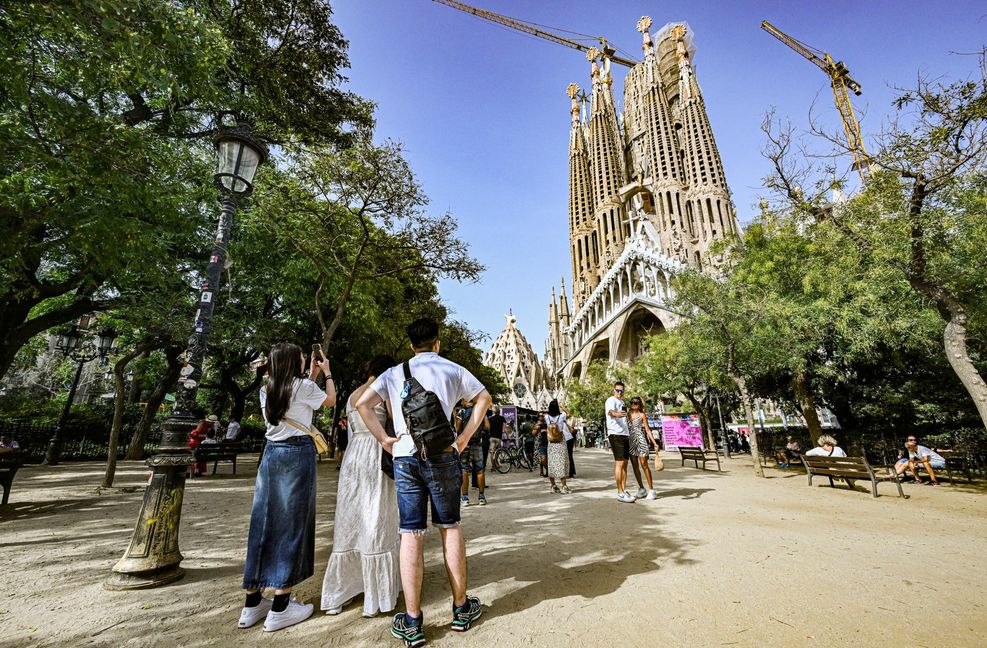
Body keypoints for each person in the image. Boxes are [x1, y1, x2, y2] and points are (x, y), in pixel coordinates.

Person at [356, 317, 490, 646]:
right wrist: (462, 439)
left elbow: (362, 405)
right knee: (450, 527)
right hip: (444, 454)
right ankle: (461, 609)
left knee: (411, 534)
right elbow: (484, 399)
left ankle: (413, 621)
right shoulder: (452, 369)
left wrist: (385, 439)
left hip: (404, 456)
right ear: (437, 343)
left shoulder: (393, 373)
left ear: (411, 345)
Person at [238, 342, 335, 633]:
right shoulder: (302, 387)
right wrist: (327, 373)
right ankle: (281, 605)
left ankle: (252, 603)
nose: (307, 360)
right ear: (294, 362)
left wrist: (311, 376)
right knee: (293, 524)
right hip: (296, 454)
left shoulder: (268, 388)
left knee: (264, 522)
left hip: (272, 454)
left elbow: (299, 399)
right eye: (303, 358)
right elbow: (328, 401)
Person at [322, 355, 402, 618]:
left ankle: (339, 593)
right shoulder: (383, 390)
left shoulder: (352, 394)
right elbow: (394, 417)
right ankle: (376, 595)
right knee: (377, 516)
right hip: (377, 452)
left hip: (355, 455)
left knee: (352, 517)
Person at [605, 382, 636, 503]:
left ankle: (623, 489)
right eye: (617, 390)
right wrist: (618, 414)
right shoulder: (610, 400)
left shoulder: (622, 402)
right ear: (614, 390)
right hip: (616, 434)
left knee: (625, 464)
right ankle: (620, 492)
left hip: (624, 434)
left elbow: (625, 416)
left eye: (621, 391)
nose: (619, 393)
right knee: (619, 464)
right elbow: (611, 413)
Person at [458, 399, 489, 506]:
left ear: (465, 401)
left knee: (464, 470)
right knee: (480, 470)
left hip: (465, 444)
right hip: (477, 444)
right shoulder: (480, 411)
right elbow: (487, 426)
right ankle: (481, 497)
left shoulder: (461, 412)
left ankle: (465, 498)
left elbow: (457, 428)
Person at [627, 397, 659, 500]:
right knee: (635, 466)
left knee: (644, 465)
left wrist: (655, 443)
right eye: (632, 403)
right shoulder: (627, 414)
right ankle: (641, 489)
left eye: (636, 403)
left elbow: (648, 430)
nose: (633, 405)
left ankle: (651, 490)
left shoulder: (642, 415)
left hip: (641, 441)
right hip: (631, 442)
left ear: (639, 405)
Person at [545, 399, 576, 478]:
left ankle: (554, 474)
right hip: (564, 438)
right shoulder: (562, 416)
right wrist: (563, 407)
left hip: (552, 439)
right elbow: (569, 414)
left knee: (553, 457)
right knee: (567, 456)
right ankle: (568, 473)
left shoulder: (546, 417)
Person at [546, 422, 570, 494]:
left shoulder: (549, 435)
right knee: (562, 467)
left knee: (552, 468)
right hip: (561, 452)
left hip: (552, 452)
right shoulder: (561, 433)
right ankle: (564, 486)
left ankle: (553, 486)